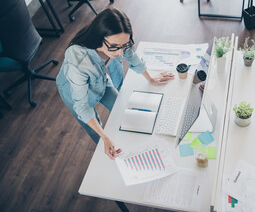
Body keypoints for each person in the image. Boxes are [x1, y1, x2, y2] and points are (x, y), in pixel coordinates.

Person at [56, 8, 174, 160]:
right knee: (96, 130)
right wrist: (105, 137)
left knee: (121, 110)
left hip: (100, 80)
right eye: (114, 47)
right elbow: (83, 107)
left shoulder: (118, 43)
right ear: (100, 37)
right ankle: (107, 149)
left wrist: (149, 77)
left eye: (123, 45)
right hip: (73, 90)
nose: (120, 53)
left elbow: (129, 53)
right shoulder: (77, 59)